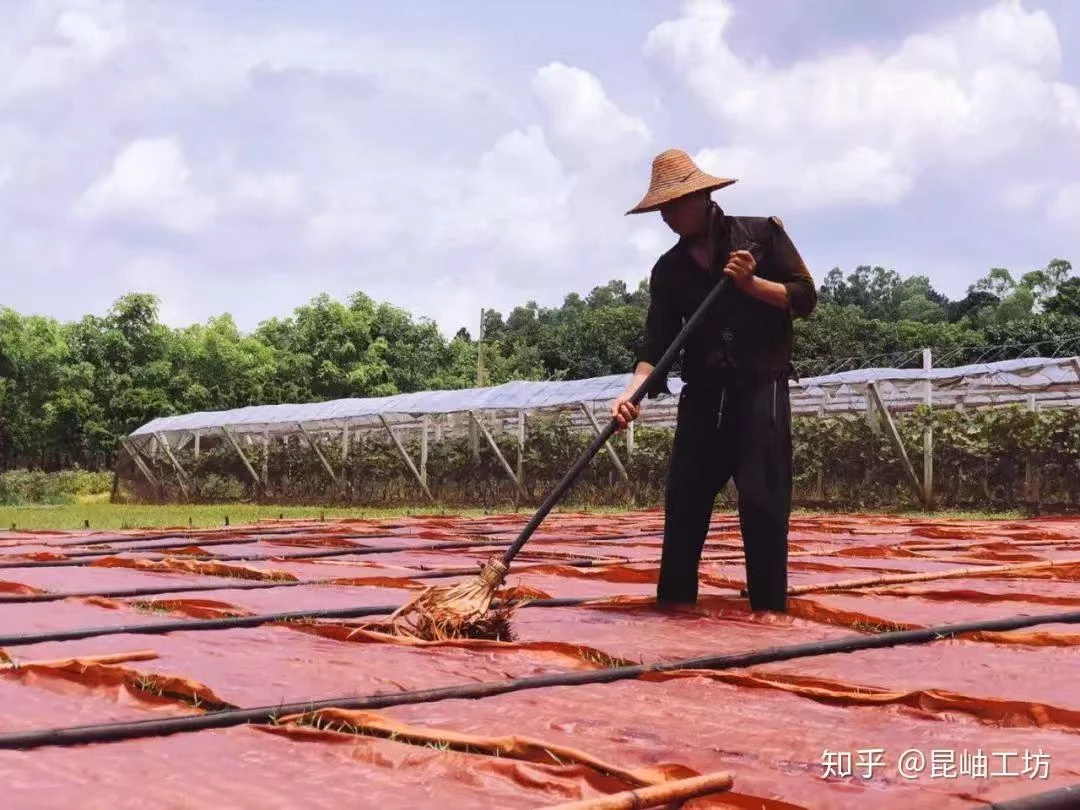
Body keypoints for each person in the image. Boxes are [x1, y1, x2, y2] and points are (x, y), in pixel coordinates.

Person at [610, 148, 817, 613]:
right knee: (684, 504)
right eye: (660, 208)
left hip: (760, 389)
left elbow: (805, 297)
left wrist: (751, 285)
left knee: (762, 506)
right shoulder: (669, 270)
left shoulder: (760, 236)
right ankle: (675, 613)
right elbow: (657, 348)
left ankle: (768, 612)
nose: (666, 215)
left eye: (674, 204)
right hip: (703, 395)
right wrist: (629, 395)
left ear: (702, 196)